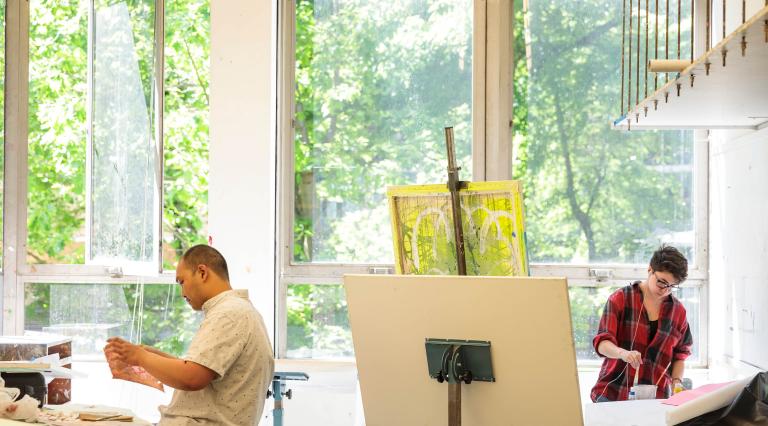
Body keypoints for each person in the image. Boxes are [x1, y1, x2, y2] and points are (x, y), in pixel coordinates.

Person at [104, 245, 274, 425]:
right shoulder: (239, 310)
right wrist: (151, 356)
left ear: (202, 272)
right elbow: (198, 369)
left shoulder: (228, 314)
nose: (182, 293)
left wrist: (141, 357)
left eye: (181, 282)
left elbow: (192, 378)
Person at [591, 245, 693, 402]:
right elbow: (602, 343)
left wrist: (676, 382)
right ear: (650, 270)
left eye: (672, 286)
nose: (665, 290)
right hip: (613, 393)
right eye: (662, 282)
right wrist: (623, 354)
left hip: (656, 398)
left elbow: (680, 355)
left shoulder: (678, 312)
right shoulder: (621, 299)